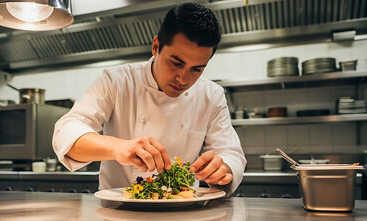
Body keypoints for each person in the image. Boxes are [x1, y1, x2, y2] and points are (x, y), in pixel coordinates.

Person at [52, 2, 246, 195]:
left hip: (183, 213)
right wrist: (118, 147)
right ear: (156, 47)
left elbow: (231, 153)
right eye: (176, 63)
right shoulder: (116, 81)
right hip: (118, 212)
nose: (183, 79)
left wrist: (223, 169)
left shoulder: (211, 95)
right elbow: (66, 133)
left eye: (197, 69)